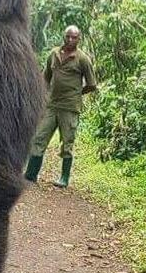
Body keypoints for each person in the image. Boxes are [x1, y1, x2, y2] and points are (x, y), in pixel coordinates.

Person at [24, 25, 97, 187]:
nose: (70, 40)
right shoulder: (54, 54)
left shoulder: (82, 59)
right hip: (51, 105)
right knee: (39, 138)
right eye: (68, 37)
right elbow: (45, 78)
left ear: (79, 39)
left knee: (67, 142)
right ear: (64, 37)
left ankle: (64, 178)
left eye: (74, 37)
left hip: (70, 108)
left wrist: (76, 93)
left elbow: (92, 84)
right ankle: (30, 174)